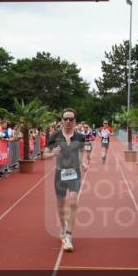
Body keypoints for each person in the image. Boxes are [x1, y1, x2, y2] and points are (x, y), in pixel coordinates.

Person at [42, 108, 89, 252]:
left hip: (74, 173)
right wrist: (53, 154)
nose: (68, 121)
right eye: (65, 118)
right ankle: (63, 226)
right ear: (62, 121)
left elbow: (83, 150)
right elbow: (44, 155)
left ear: (75, 122)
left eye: (71, 119)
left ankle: (68, 236)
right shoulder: (55, 136)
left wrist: (84, 162)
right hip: (60, 173)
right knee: (61, 204)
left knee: (73, 201)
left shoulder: (80, 137)